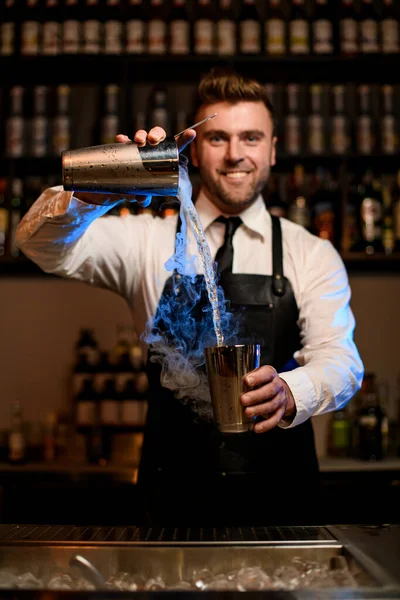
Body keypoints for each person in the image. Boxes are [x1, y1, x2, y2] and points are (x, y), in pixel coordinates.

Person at [16, 69, 363, 526]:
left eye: (251, 137)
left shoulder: (310, 252)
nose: (236, 154)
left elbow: (342, 361)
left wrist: (289, 391)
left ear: (273, 150)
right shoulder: (146, 242)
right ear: (194, 151)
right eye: (217, 138)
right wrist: (95, 191)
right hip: (170, 508)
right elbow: (37, 243)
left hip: (282, 509)